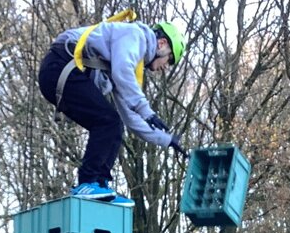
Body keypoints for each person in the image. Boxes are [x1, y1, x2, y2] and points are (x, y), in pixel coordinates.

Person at [37, 17, 188, 206]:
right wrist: (147, 111)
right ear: (162, 43)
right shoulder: (135, 35)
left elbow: (130, 118)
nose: (165, 67)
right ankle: (88, 181)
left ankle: (99, 184)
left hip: (60, 73)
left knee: (114, 124)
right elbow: (122, 71)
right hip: (60, 66)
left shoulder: (124, 56)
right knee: (107, 121)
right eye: (170, 59)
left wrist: (166, 139)